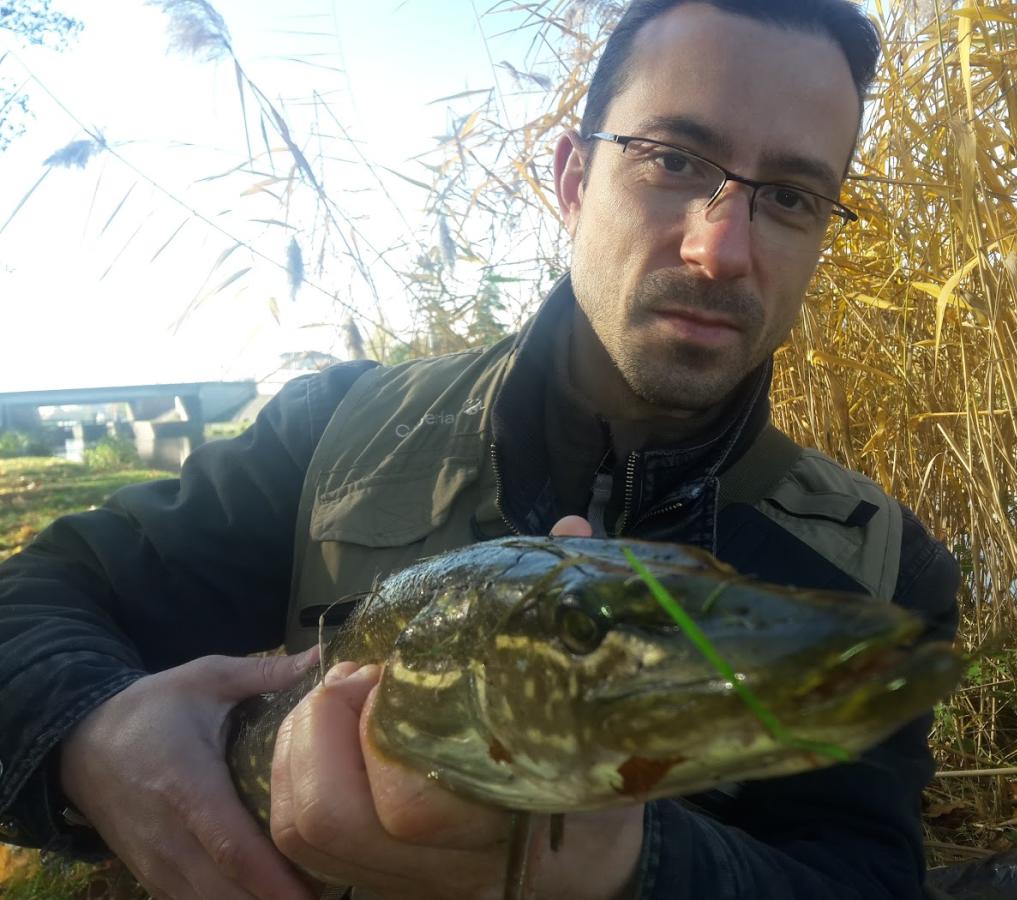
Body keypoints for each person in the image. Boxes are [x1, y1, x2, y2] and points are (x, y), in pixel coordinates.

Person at [0, 0, 960, 897]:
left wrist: (636, 867)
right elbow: (31, 601)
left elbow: (863, 874)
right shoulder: (334, 434)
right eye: (671, 159)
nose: (722, 249)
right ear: (574, 182)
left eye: (791, 197)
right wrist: (88, 734)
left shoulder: (879, 568)